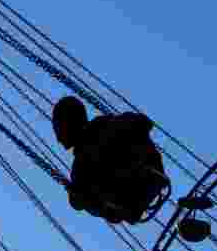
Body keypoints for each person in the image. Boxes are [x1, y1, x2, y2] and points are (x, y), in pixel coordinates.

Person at [52, 96, 168, 224]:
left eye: (58, 129)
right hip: (134, 190)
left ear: (70, 124)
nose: (58, 138)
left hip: (138, 180)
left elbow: (139, 123)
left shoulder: (100, 132)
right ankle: (126, 203)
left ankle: (126, 201)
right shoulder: (80, 166)